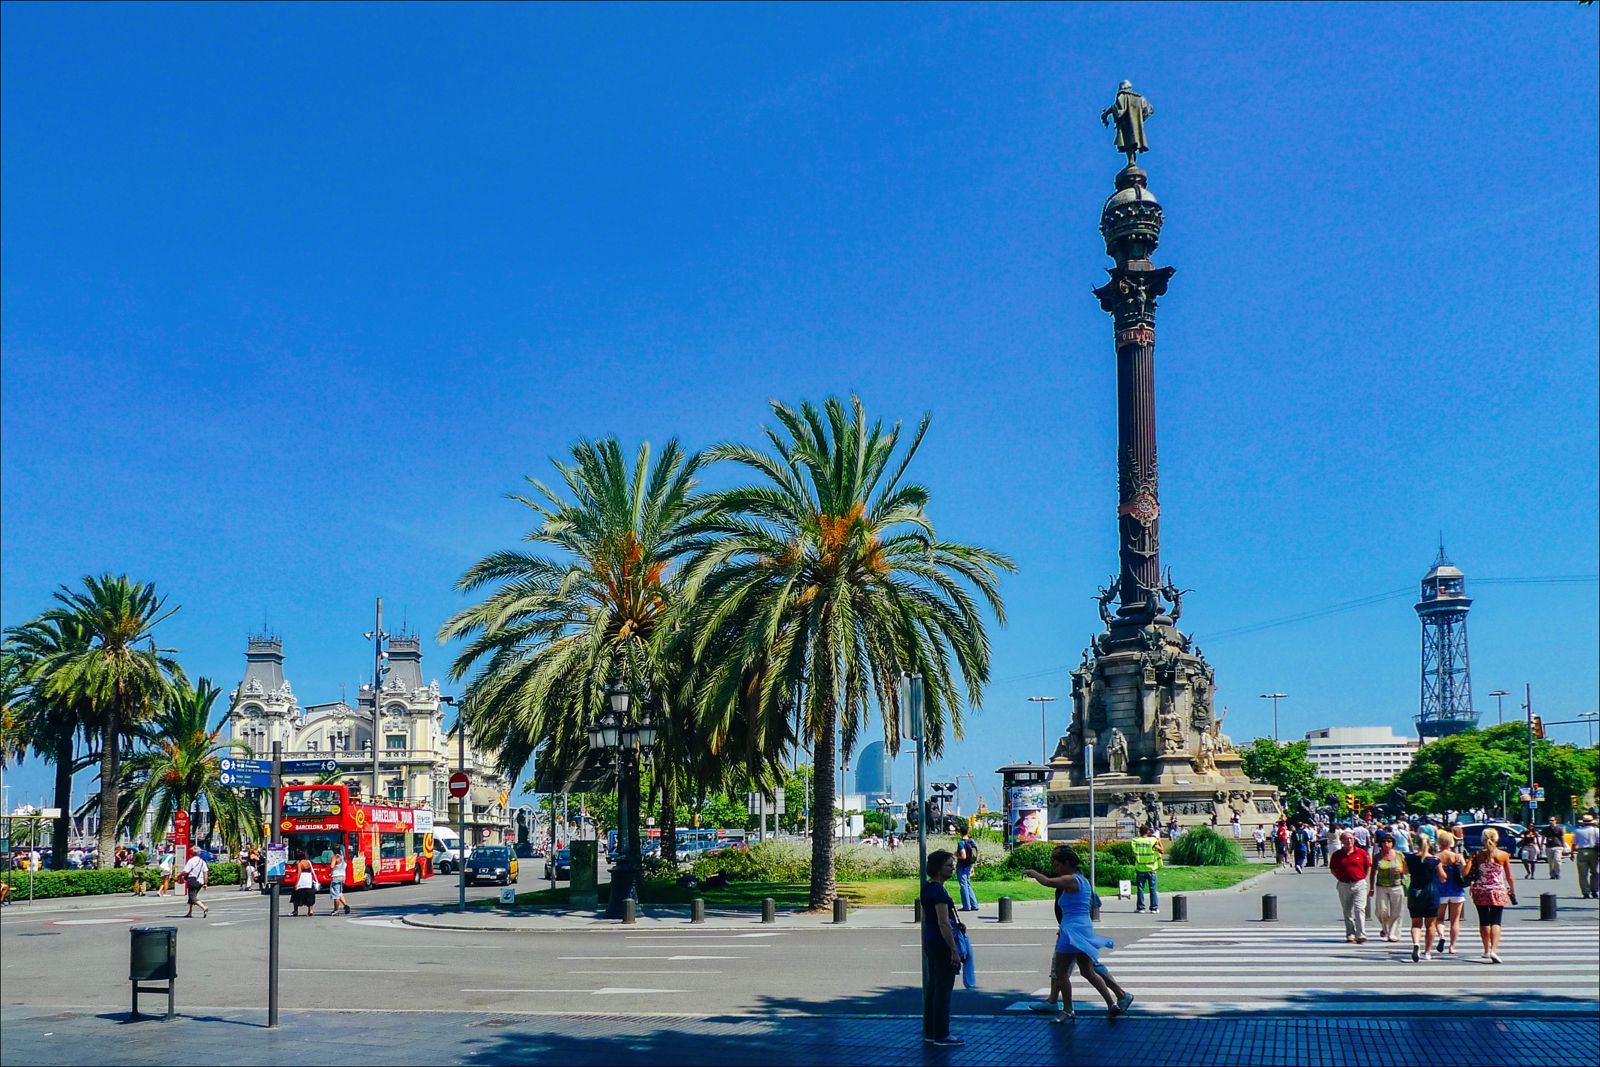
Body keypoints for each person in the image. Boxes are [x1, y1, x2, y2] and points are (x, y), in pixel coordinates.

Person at [1024, 846, 1133, 1023]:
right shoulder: (1083, 881)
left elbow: (1047, 882)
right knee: (1088, 970)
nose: (1055, 867)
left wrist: (1032, 872)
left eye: (1057, 863)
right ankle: (1112, 1004)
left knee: (1061, 972)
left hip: (1071, 931)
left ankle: (1068, 1010)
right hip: (1083, 928)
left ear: (1067, 863)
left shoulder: (1070, 880)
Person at [918, 850, 964, 1048]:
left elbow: (928, 919)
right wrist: (954, 950)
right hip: (942, 943)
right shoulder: (938, 892)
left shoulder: (927, 888)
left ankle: (930, 1031)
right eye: (948, 865)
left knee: (934, 989)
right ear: (938, 869)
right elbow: (943, 923)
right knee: (943, 991)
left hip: (931, 942)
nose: (952, 867)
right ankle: (942, 1034)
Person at [1465, 827, 1516, 963]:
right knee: (1496, 921)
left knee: (1483, 920)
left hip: (1480, 889)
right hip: (1498, 890)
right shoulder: (1503, 855)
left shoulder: (1477, 854)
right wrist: (1512, 890)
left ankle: (1486, 949)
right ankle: (1494, 950)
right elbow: (1509, 876)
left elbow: (1465, 872)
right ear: (1497, 838)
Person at [1330, 831, 1371, 944]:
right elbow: (1333, 869)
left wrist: (1361, 877)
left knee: (1359, 909)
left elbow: (1367, 867)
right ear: (1342, 841)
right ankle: (1350, 934)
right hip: (1344, 884)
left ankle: (1361, 934)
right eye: (1346, 839)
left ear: (1354, 840)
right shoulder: (1337, 855)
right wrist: (1340, 878)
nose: (1349, 841)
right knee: (1347, 911)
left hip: (1359, 884)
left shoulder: (1361, 853)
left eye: (1351, 839)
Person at [1404, 834, 1441, 961]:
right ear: (1429, 844)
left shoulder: (1409, 858)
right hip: (1430, 892)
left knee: (1416, 923)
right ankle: (1428, 952)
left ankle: (1416, 944)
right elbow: (1443, 876)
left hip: (1415, 892)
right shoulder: (1434, 860)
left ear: (1416, 843)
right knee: (1430, 924)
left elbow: (1405, 871)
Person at [1367, 832, 1407, 943]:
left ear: (1392, 843)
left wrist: (1401, 870)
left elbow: (1406, 869)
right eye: (1384, 842)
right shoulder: (1377, 857)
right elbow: (1373, 873)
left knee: (1397, 911)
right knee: (1381, 910)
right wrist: (1371, 888)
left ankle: (1393, 933)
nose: (1386, 843)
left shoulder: (1399, 855)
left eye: (1389, 841)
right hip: (1381, 886)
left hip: (1396, 885)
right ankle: (1385, 928)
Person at [1434, 830, 1467, 956]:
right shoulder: (1457, 857)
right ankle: (1452, 946)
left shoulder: (1436, 857)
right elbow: (1464, 872)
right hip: (1456, 890)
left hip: (1440, 889)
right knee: (1455, 920)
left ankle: (1442, 935)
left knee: (1439, 918)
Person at [1131, 825, 1163, 914]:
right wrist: (1157, 838)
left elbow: (1133, 852)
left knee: (1140, 889)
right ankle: (1154, 908)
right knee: (1153, 889)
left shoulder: (1135, 841)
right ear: (1148, 832)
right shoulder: (1152, 840)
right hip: (1151, 868)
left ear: (1139, 832)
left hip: (1140, 868)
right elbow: (1161, 850)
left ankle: (1140, 908)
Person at [1571, 814, 1598, 899]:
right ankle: (1594, 890)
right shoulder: (1596, 830)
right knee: (1594, 872)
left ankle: (1585, 892)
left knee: (1582, 873)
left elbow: (1574, 843)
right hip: (1593, 851)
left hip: (1582, 851)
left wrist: (1572, 853)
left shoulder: (1578, 831)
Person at [954, 831, 979, 913]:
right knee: (968, 884)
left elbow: (963, 856)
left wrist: (956, 854)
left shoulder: (961, 843)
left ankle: (966, 906)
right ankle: (974, 905)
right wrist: (972, 867)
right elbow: (973, 855)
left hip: (962, 866)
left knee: (963, 885)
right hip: (969, 866)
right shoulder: (972, 841)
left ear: (960, 833)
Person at [182, 849, 209, 918]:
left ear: (192, 853)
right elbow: (205, 873)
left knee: (192, 897)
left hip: (192, 880)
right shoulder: (203, 862)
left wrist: (180, 876)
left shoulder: (191, 861)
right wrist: (205, 883)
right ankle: (190, 913)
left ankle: (204, 908)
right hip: (200, 882)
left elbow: (185, 871)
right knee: (193, 896)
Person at [290, 852, 318, 917]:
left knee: (296, 895)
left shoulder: (300, 863)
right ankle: (310, 910)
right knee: (310, 895)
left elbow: (299, 873)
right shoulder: (309, 862)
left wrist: (296, 884)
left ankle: (295, 911)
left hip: (302, 882)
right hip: (309, 881)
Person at [329, 847, 351, 916]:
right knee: (339, 893)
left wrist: (331, 872)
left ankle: (336, 910)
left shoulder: (335, 857)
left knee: (335, 895)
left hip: (336, 877)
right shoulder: (343, 858)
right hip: (342, 877)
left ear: (334, 850)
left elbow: (332, 866)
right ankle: (346, 906)